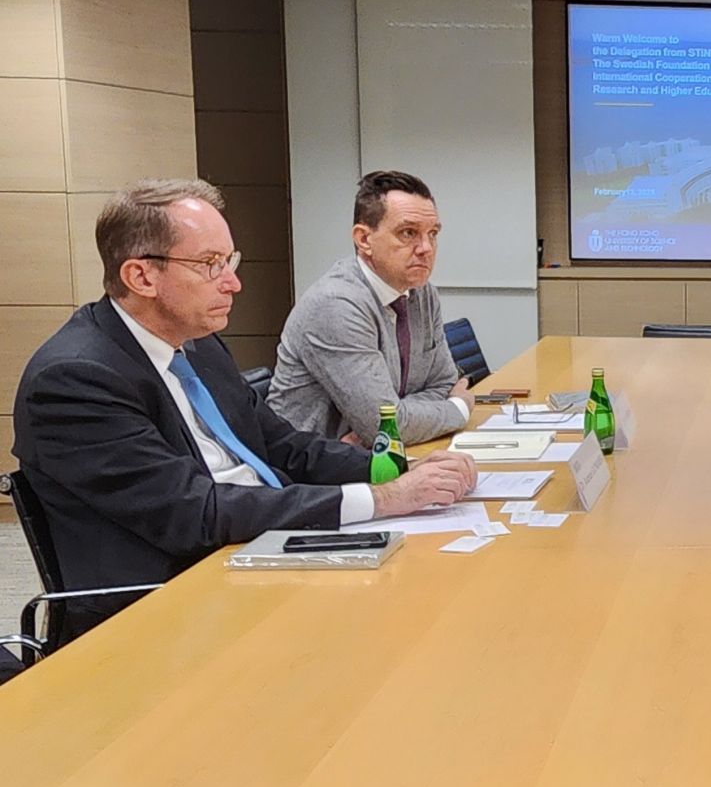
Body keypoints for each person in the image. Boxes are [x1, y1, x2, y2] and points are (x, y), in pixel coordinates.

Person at [11, 180, 475, 640]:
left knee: (434, 602)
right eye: (210, 264)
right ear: (141, 277)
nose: (233, 283)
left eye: (229, 261)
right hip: (170, 607)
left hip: (254, 553)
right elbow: (197, 513)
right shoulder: (76, 380)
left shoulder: (199, 345)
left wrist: (397, 470)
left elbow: (286, 447)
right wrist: (386, 499)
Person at [269, 170, 473, 445]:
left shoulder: (422, 293)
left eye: (433, 233)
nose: (426, 248)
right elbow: (385, 427)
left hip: (380, 456)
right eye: (408, 233)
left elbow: (443, 385)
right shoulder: (337, 304)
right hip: (315, 475)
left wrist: (398, 420)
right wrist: (458, 409)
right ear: (364, 239)